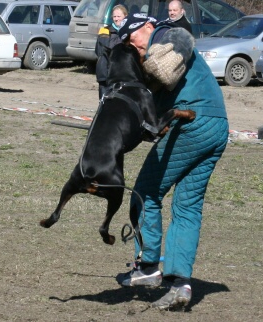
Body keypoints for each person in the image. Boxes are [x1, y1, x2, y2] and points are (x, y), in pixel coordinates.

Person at [115, 14, 229, 310]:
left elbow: (161, 73)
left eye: (132, 37)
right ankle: (181, 284)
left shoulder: (168, 36)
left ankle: (149, 266)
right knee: (187, 206)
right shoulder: (163, 43)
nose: (131, 44)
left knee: (145, 192)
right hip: (216, 127)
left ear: (148, 27)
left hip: (192, 122)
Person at [94, 4, 128, 98]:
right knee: (104, 102)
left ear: (125, 16)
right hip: (106, 73)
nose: (116, 19)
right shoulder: (104, 31)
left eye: (119, 16)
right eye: (114, 16)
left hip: (123, 75)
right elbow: (100, 51)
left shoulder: (129, 32)